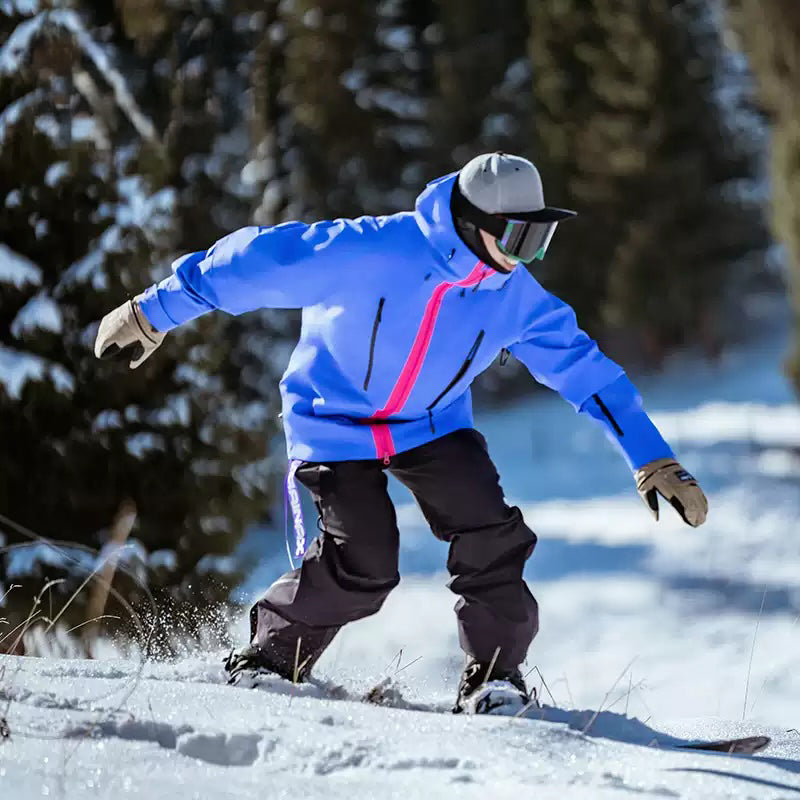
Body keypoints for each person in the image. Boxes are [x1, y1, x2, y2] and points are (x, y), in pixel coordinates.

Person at [94, 152, 708, 714]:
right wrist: (154, 310)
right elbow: (256, 262)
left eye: (540, 240)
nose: (528, 258)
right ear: (472, 223)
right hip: (332, 423)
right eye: (520, 238)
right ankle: (268, 659)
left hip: (431, 425)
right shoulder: (373, 249)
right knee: (363, 565)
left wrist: (651, 457)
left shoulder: (513, 295)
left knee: (491, 534)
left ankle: (493, 679)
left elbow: (586, 371)